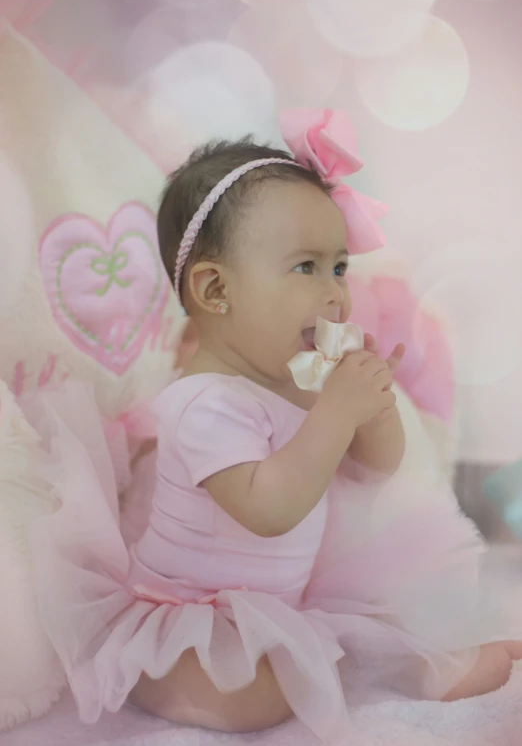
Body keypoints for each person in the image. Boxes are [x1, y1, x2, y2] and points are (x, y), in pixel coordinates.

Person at [31, 109, 522, 745]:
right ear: (215, 291)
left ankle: (398, 666)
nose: (337, 294)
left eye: (340, 267)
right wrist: (336, 411)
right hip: (186, 612)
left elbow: (375, 466)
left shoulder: (300, 381)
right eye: (306, 268)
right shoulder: (201, 403)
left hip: (279, 608)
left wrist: (374, 406)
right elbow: (268, 508)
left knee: (372, 628)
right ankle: (339, 672)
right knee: (248, 693)